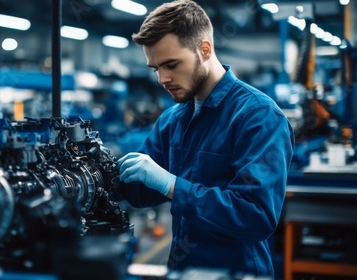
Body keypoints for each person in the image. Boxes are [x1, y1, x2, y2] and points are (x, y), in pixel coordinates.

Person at [116, 0, 295, 277]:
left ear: (204, 49)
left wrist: (173, 185)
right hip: (182, 270)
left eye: (171, 64)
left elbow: (255, 215)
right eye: (156, 69)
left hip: (238, 272)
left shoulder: (258, 116)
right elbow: (139, 191)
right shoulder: (172, 119)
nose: (163, 78)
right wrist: (100, 173)